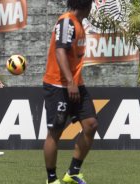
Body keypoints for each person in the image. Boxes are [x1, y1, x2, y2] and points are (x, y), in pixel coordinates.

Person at [43, 0, 97, 183]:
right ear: (87, 5)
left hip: (76, 84)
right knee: (55, 132)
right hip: (59, 85)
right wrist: (69, 81)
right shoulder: (67, 21)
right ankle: (51, 179)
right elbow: (60, 52)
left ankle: (73, 172)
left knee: (91, 125)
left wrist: (74, 82)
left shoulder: (79, 23)